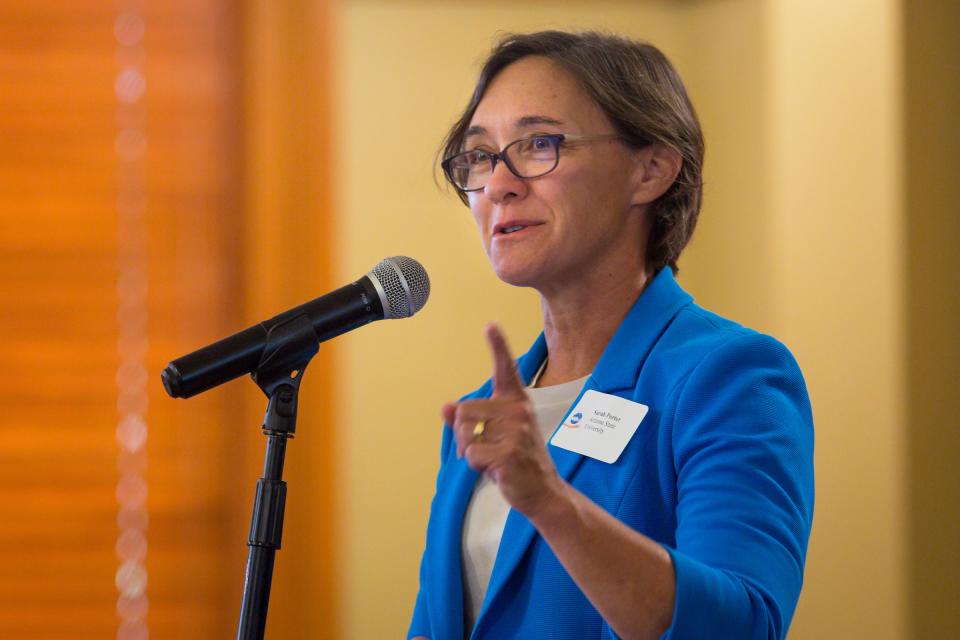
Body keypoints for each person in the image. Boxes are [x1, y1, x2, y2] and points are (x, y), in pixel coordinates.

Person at [408, 31, 814, 640]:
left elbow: (744, 625)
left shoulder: (730, 376)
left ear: (650, 170)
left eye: (539, 144)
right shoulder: (483, 416)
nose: (498, 184)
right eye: (481, 155)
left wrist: (547, 500)